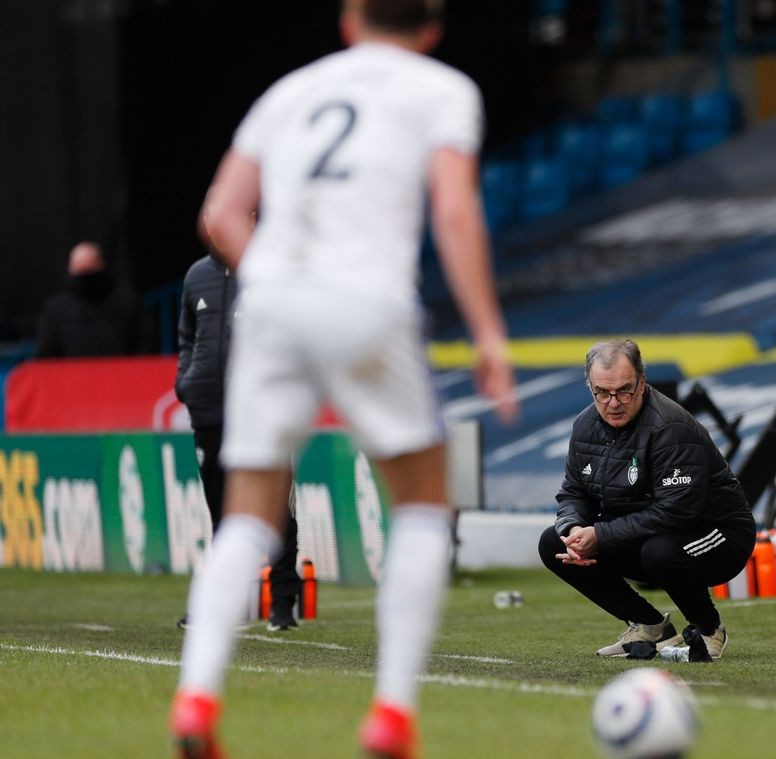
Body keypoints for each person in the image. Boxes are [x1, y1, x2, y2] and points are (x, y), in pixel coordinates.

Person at [168, 1, 519, 757]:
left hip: (271, 306)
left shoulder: (290, 92)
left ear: (350, 20)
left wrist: (275, 279)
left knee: (248, 515)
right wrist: (489, 332)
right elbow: (455, 212)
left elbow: (221, 211)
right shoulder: (443, 90)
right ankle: (391, 713)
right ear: (432, 28)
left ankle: (196, 700)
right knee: (425, 504)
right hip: (367, 301)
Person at [539, 339, 754, 661]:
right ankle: (649, 625)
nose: (613, 402)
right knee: (553, 542)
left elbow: (676, 511)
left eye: (624, 390)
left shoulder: (671, 426)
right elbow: (574, 491)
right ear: (591, 387)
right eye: (602, 392)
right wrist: (574, 529)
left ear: (642, 382)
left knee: (661, 552)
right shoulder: (584, 425)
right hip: (645, 532)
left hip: (717, 534)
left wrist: (601, 535)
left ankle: (709, 629)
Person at [175, 251, 302, 632]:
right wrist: (187, 383)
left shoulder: (272, 266)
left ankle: (282, 604)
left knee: (275, 508)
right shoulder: (196, 274)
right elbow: (186, 338)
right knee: (222, 513)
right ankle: (222, 604)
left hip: (260, 412)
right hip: (209, 412)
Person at [35, 241, 153, 358]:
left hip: (122, 375)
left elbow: (145, 345)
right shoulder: (55, 309)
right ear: (70, 270)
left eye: (91, 270)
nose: (86, 277)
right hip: (72, 376)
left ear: (102, 266)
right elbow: (47, 355)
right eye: (81, 271)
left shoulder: (127, 302)